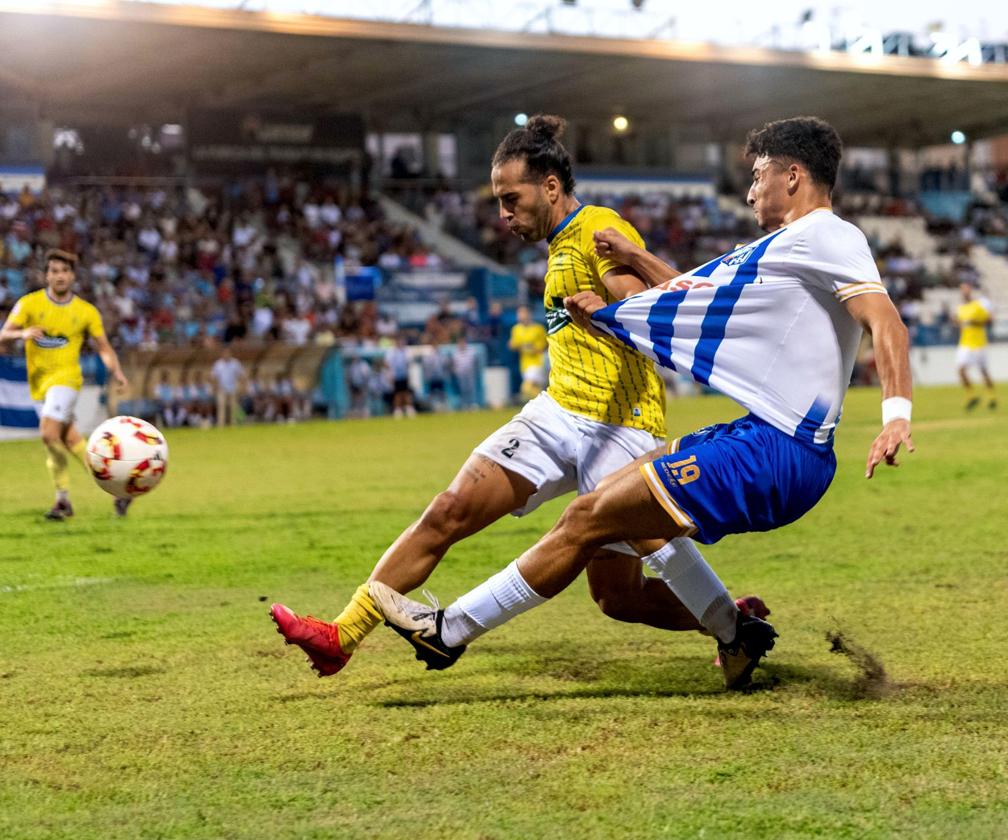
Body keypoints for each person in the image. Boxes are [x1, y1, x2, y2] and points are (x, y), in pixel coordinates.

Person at [369, 116, 915, 689]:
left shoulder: (830, 236)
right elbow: (693, 300)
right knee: (607, 506)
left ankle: (447, 632)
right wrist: (630, 264)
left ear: (794, 176)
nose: (750, 190)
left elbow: (888, 323)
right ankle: (737, 635)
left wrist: (895, 416)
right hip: (757, 437)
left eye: (758, 176)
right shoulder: (781, 248)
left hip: (780, 451)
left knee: (586, 518)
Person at [270, 114, 763, 680]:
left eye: (512, 198)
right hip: (557, 413)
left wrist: (612, 315)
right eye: (499, 201)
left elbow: (646, 304)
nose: (503, 214)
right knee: (448, 510)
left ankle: (732, 622)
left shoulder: (595, 227)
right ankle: (342, 634)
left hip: (619, 424)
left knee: (618, 597)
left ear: (550, 187)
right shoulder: (558, 245)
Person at [0, 249, 131, 519]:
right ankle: (119, 491)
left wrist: (117, 372)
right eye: (54, 271)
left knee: (48, 433)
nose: (60, 276)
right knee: (71, 441)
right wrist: (22, 332)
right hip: (38, 385)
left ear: (72, 276)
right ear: (46, 275)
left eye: (65, 271)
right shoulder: (29, 304)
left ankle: (62, 501)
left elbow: (104, 347)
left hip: (67, 379)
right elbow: (3, 336)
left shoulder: (86, 312)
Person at [953, 283, 996, 411]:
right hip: (965, 343)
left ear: (970, 291)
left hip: (979, 343)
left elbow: (989, 320)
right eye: (962, 290)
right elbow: (959, 323)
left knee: (983, 371)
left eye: (966, 289)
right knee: (960, 370)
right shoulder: (960, 308)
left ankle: (992, 397)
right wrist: (956, 323)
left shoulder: (977, 306)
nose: (964, 292)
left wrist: (974, 322)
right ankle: (971, 396)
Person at [508, 304, 548, 400]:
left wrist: (527, 347)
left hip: (538, 363)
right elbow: (512, 345)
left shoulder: (538, 328)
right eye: (519, 313)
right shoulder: (516, 329)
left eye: (522, 312)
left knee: (526, 388)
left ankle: (544, 400)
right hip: (524, 364)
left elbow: (543, 347)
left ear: (529, 314)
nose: (520, 315)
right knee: (535, 389)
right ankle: (544, 401)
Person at [210, 345, 246, 427]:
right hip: (221, 388)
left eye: (228, 353)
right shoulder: (218, 364)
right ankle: (221, 425)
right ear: (222, 354)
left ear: (230, 353)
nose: (226, 355)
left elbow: (241, 375)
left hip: (233, 388)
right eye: (225, 353)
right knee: (221, 407)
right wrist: (214, 386)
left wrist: (243, 385)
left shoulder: (235, 363)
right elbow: (213, 377)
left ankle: (234, 424)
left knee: (234, 407)